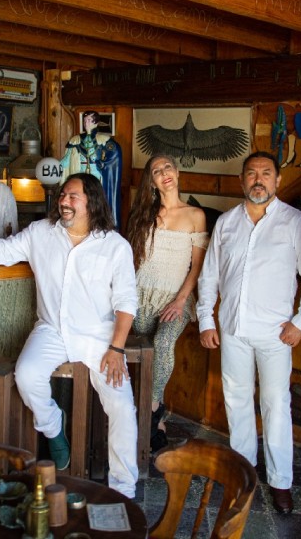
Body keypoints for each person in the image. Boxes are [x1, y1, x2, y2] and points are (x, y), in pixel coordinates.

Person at [0, 173, 139, 498]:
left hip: (100, 337)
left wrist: (117, 349)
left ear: (92, 201)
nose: (63, 201)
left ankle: (125, 490)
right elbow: (0, 250)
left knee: (122, 408)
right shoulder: (41, 233)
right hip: (51, 329)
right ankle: (53, 426)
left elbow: (126, 302)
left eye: (72, 196)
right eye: (62, 195)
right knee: (27, 374)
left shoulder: (115, 246)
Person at [197, 151, 301, 515]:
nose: (258, 179)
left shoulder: (294, 222)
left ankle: (281, 482)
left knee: (275, 405)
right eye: (251, 173)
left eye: (266, 173)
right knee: (236, 402)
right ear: (241, 180)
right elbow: (210, 275)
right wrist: (206, 318)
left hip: (275, 333)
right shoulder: (227, 222)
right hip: (233, 328)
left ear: (277, 180)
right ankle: (244, 473)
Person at [124, 154, 207, 452]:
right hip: (141, 294)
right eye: (156, 171)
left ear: (178, 170)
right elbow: (133, 260)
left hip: (176, 298)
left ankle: (154, 407)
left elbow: (197, 266)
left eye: (167, 167)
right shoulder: (145, 213)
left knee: (162, 343)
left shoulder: (195, 215)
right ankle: (152, 421)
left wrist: (180, 299)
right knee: (143, 354)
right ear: (153, 180)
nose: (164, 173)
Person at [59, 111, 123, 228]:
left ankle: (98, 225)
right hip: (80, 174)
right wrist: (57, 166)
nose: (86, 123)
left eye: (89, 120)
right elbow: (66, 160)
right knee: (80, 200)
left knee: (95, 200)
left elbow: (114, 154)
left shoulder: (104, 140)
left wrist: (102, 163)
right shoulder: (75, 140)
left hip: (96, 175)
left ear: (96, 122)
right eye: (84, 121)